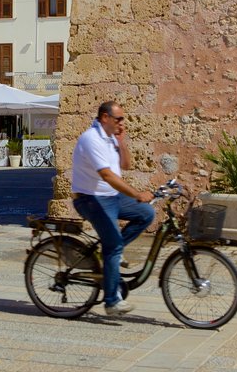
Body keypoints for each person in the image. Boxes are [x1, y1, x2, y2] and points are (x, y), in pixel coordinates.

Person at [70, 101, 154, 316]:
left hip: (111, 197)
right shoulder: (91, 139)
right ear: (105, 118)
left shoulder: (109, 139)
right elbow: (107, 175)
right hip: (91, 199)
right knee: (114, 244)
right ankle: (111, 301)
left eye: (123, 119)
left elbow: (126, 165)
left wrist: (121, 141)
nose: (122, 122)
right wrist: (136, 194)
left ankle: (112, 253)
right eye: (118, 119)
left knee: (146, 214)